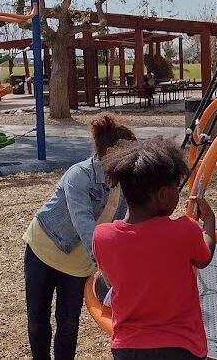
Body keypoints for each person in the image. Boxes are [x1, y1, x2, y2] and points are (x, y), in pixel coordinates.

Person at [22, 113, 136, 360]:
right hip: (45, 249)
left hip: (79, 265)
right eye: (128, 156)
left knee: (68, 324)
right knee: (37, 320)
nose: (132, 162)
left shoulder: (123, 183)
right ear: (110, 153)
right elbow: (83, 223)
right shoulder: (79, 175)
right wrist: (107, 266)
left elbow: (125, 225)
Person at [93, 137, 216, 360]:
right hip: (179, 345)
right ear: (161, 195)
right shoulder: (185, 230)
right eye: (175, 188)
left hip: (128, 347)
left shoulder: (103, 236)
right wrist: (208, 223)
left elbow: (112, 275)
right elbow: (203, 257)